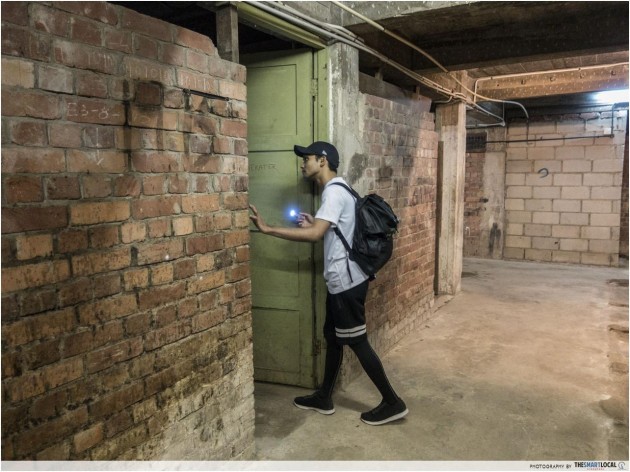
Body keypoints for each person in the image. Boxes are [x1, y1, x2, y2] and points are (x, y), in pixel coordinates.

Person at [249, 141, 408, 426]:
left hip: (346, 282)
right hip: (341, 280)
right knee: (333, 338)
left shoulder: (333, 192)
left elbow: (314, 235)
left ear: (323, 160)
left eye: (306, 158)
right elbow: (333, 230)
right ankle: (324, 397)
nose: (303, 164)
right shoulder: (341, 188)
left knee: (357, 341)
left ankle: (392, 402)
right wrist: (316, 222)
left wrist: (268, 228)